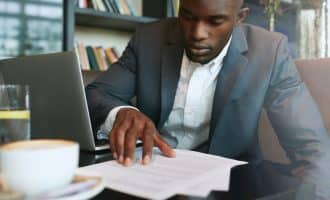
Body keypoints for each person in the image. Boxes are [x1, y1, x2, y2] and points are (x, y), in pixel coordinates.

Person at [86, 0, 330, 198]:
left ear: (239, 17)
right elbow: (97, 93)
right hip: (149, 177)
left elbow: (313, 148)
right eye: (188, 17)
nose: (197, 34)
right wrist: (121, 113)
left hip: (231, 187)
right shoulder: (149, 38)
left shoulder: (270, 52)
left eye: (215, 21)